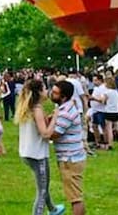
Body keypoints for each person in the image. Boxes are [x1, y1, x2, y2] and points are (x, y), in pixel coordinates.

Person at [16, 79, 64, 215]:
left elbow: (38, 126)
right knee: (42, 190)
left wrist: (48, 119)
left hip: (27, 153)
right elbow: (45, 133)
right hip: (37, 155)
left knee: (43, 184)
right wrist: (55, 116)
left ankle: (53, 209)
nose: (46, 92)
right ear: (38, 92)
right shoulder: (36, 109)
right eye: (44, 89)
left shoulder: (29, 107)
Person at [49, 80, 85, 215]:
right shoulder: (65, 108)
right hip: (73, 157)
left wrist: (41, 132)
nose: (52, 95)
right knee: (76, 195)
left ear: (63, 96)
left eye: (55, 93)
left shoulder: (66, 112)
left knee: (75, 197)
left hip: (70, 159)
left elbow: (54, 134)